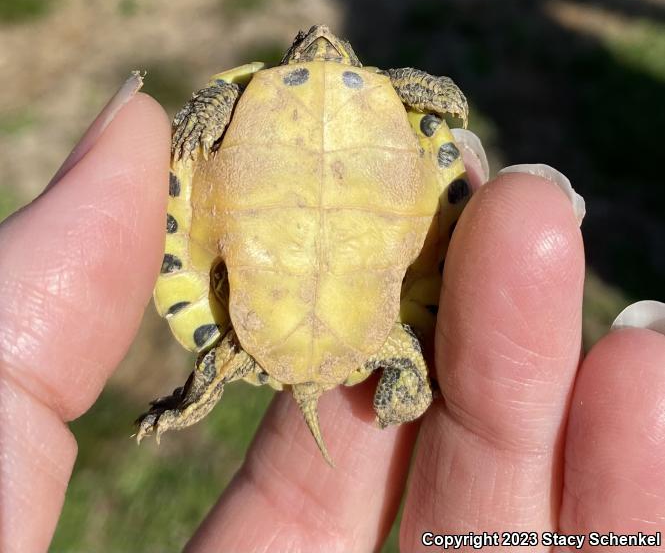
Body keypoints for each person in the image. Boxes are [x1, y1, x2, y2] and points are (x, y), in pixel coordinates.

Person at [1, 76, 664, 553]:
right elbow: (443, 103)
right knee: (413, 335)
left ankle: (196, 396)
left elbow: (199, 137)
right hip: (346, 306)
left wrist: (201, 116)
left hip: (293, 308)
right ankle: (229, 394)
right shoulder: (377, 92)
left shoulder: (246, 96)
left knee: (243, 344)